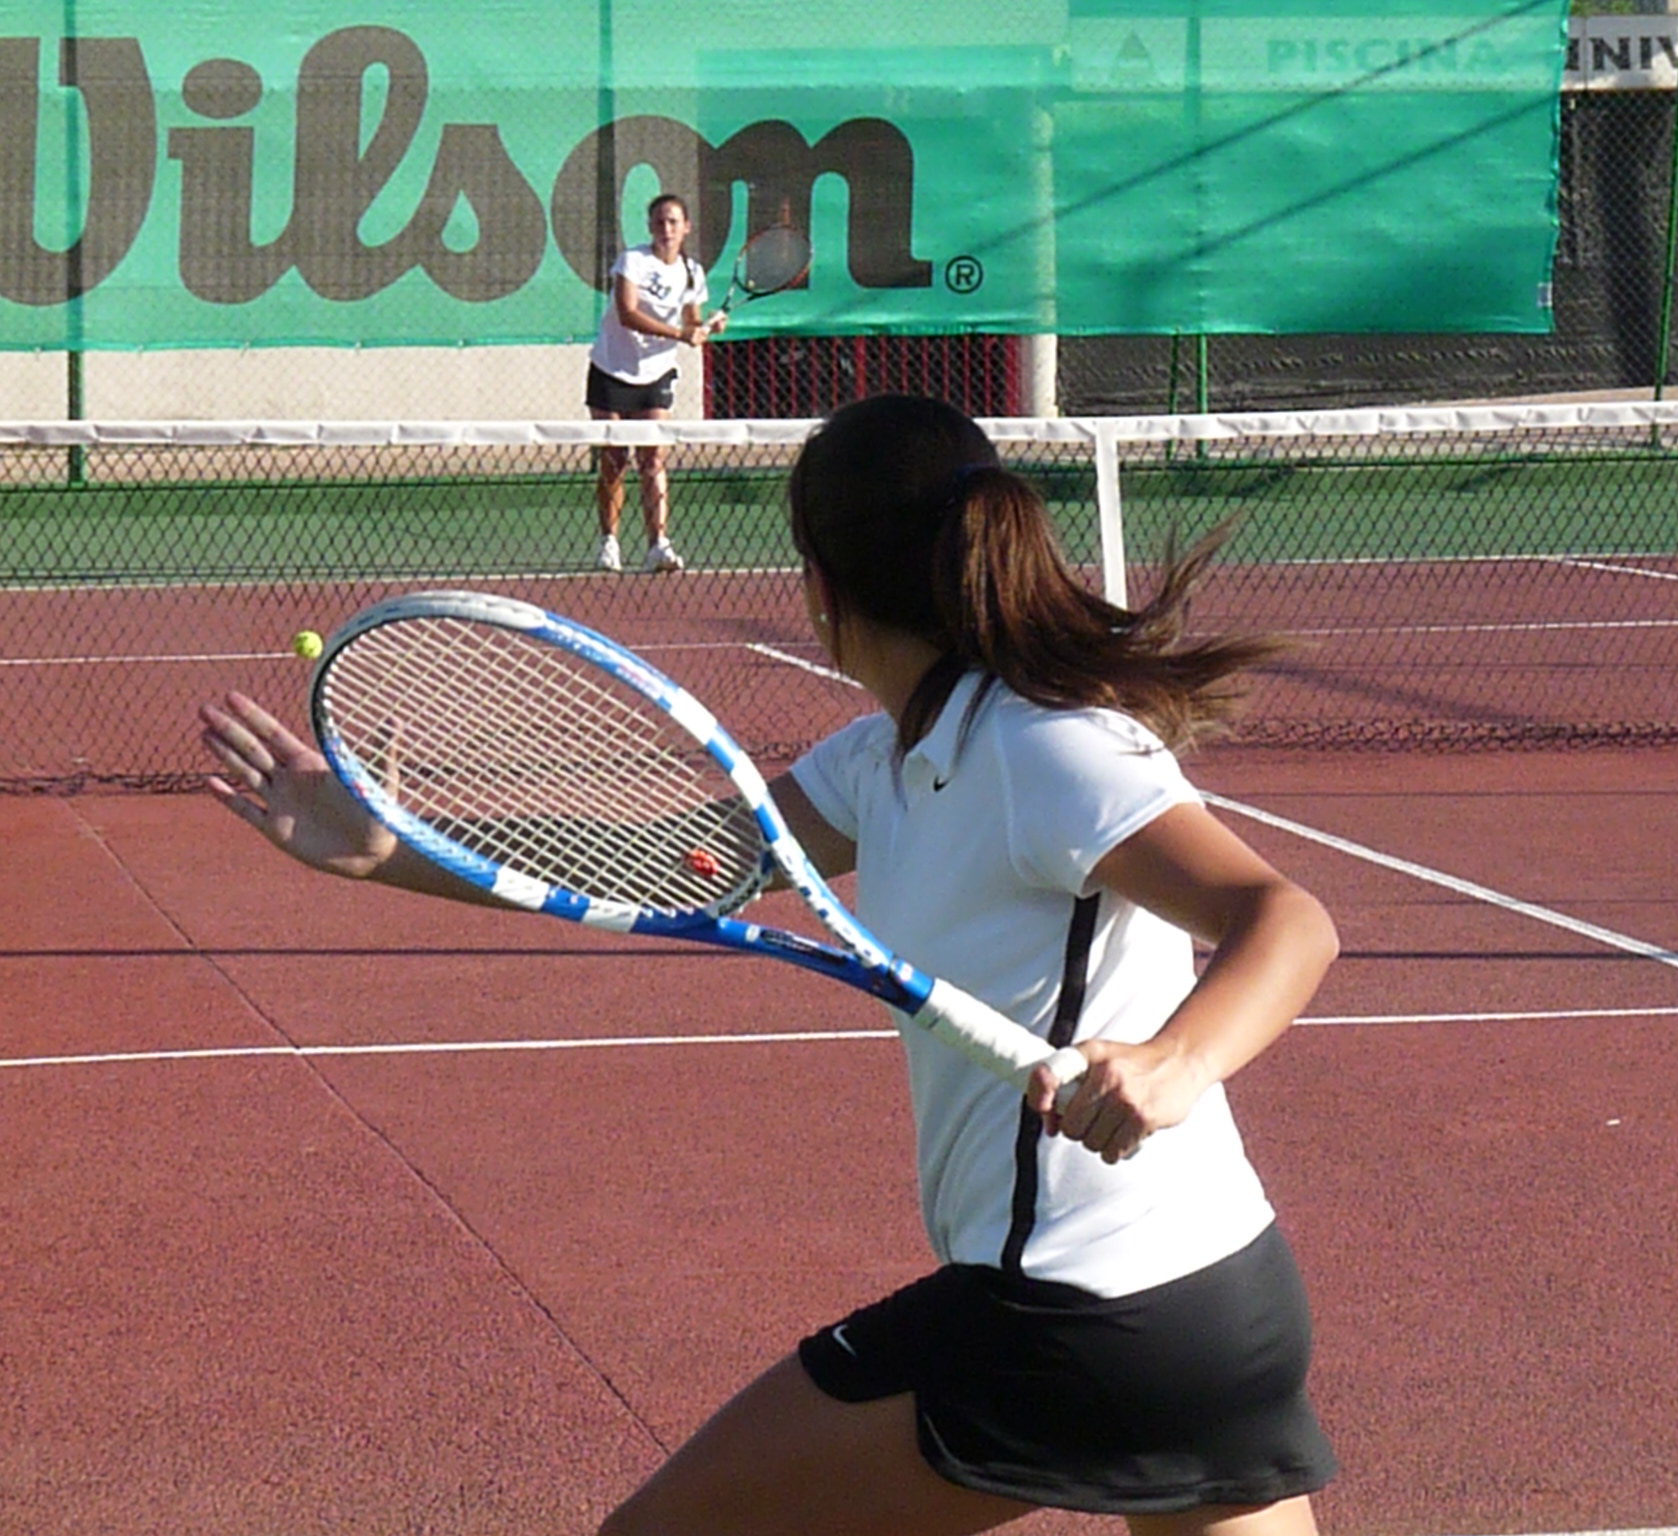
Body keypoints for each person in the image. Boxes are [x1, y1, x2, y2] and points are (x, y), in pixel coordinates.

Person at [196, 393, 1342, 1536]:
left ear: (820, 589)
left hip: (1073, 1315)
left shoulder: (1047, 749)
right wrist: (396, 849)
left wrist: (1175, 1061)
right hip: (1217, 1306)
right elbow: (660, 866)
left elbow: (1283, 919)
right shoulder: (880, 765)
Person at [587, 192, 727, 574]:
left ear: (686, 228)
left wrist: (707, 327)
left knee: (653, 459)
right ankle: (609, 542)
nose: (666, 228)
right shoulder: (632, 261)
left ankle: (658, 545)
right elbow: (627, 313)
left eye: (673, 222)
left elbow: (691, 321)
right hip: (611, 369)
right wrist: (681, 334)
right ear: (650, 227)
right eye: (660, 222)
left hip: (657, 374)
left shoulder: (692, 273)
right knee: (614, 460)